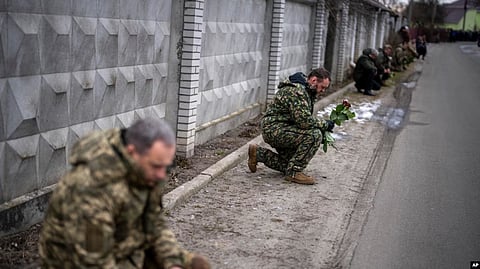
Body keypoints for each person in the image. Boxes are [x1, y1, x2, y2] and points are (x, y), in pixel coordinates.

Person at [39, 118, 210, 269]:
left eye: (166, 166)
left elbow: (154, 223)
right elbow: (93, 262)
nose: (161, 175)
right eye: (156, 166)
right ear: (131, 152)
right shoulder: (91, 188)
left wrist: (172, 262)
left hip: (125, 254)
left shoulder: (145, 173)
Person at [247, 68, 334, 185]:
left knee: (289, 163)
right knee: (314, 135)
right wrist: (325, 124)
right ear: (313, 80)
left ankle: (258, 153)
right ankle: (294, 173)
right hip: (275, 129)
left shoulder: (305, 90)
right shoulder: (297, 92)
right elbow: (304, 122)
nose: (323, 91)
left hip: (281, 128)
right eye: (322, 87)